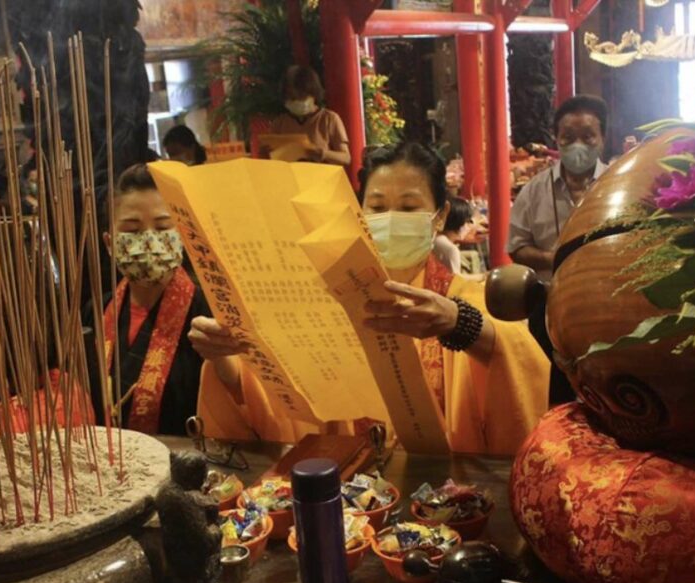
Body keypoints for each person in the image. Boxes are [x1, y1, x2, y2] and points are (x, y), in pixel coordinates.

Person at [189, 141, 550, 456]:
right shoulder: (328, 305)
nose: (391, 219)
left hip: (448, 496)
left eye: (408, 209)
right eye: (376, 208)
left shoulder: (467, 299)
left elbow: (521, 362)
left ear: (439, 217)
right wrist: (227, 360)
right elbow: (287, 411)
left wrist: (462, 324)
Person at [83, 163, 212, 435]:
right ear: (109, 243)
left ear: (182, 236)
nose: (149, 240)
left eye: (163, 227)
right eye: (131, 231)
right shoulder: (95, 312)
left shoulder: (208, 315)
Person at [507, 94, 609, 405]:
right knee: (552, 392)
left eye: (588, 136)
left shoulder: (616, 184)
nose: (578, 145)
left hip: (605, 305)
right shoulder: (534, 191)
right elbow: (516, 246)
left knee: (605, 389)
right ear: (557, 140)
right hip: (548, 303)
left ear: (602, 139)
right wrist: (553, 259)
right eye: (568, 137)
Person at [265, 66, 351, 166]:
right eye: (291, 98)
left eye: (301, 96)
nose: (296, 101)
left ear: (313, 93)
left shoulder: (329, 119)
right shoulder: (279, 123)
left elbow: (346, 158)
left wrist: (323, 153)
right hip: (289, 178)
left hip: (322, 179)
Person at [434, 196, 471, 275]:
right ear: (458, 222)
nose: (468, 226)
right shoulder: (451, 249)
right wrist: (483, 276)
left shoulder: (435, 239)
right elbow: (456, 280)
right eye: (467, 222)